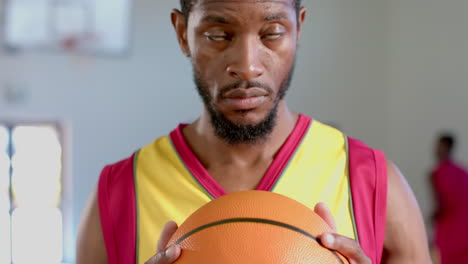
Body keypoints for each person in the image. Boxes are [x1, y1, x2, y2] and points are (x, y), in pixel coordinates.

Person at [76, 1, 431, 263]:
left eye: (272, 33)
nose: (247, 66)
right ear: (183, 33)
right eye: (218, 35)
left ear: (299, 28)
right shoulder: (119, 193)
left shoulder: (371, 181)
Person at [431, 133, 468, 263]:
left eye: (439, 146)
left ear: (447, 147)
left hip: (448, 228)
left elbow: (441, 204)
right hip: (464, 228)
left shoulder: (436, 173)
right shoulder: (462, 172)